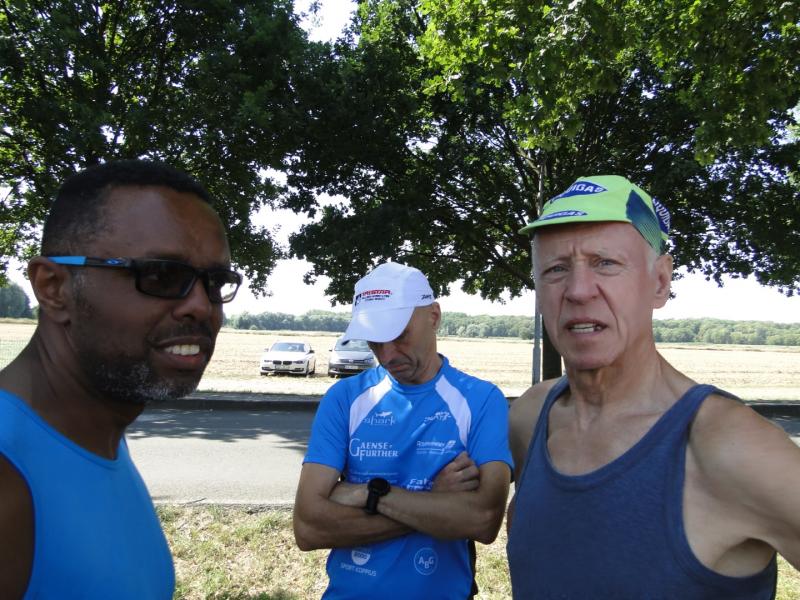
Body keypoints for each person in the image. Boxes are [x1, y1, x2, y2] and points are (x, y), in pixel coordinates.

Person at [507, 175, 800, 598]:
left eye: (605, 263)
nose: (578, 291)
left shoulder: (730, 446)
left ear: (660, 282)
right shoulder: (531, 417)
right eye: (556, 269)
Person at [0, 159, 242, 599]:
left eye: (215, 282)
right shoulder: (8, 475)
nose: (201, 306)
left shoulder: (97, 435)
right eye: (160, 275)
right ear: (54, 287)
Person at [293, 262, 513, 599]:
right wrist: (434, 501)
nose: (387, 354)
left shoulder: (481, 400)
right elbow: (308, 529)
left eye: (398, 335)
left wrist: (368, 494)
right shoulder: (344, 399)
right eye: (374, 341)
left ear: (434, 316)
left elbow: (483, 520)